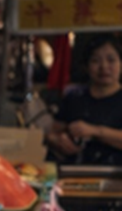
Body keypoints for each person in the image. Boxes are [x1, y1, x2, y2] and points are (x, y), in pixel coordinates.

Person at [48, 35, 122, 166]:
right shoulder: (74, 97)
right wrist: (59, 140)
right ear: (86, 66)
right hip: (74, 174)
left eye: (111, 60)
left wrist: (95, 131)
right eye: (95, 61)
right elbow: (53, 132)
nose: (104, 67)